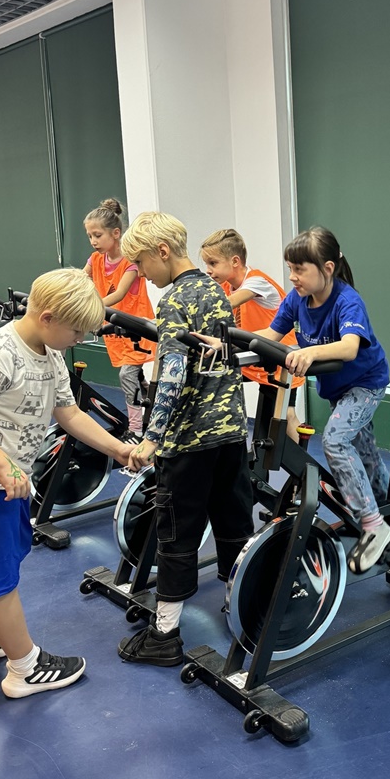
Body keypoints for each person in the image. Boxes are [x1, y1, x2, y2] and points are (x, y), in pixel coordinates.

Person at [0, 268, 133, 697]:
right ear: (48, 317)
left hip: (9, 481)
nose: (78, 339)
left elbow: (68, 413)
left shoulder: (49, 354)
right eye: (76, 331)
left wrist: (117, 449)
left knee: (3, 564)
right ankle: (24, 668)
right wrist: (1, 464)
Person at [116, 212, 255, 668]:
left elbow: (172, 374)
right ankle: (245, 612)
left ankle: (165, 635)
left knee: (177, 536)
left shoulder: (174, 298)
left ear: (161, 252)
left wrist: (151, 439)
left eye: (141, 263)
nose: (141, 275)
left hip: (190, 441)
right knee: (234, 524)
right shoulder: (215, 289)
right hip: (232, 433)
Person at [259, 226, 390, 575]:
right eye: (291, 268)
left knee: (334, 441)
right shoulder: (296, 301)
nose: (293, 277)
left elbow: (349, 348)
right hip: (337, 390)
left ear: (327, 268)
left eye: (300, 269)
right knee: (364, 453)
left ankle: (375, 524)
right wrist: (224, 341)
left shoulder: (348, 300)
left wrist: (311, 351)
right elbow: (269, 337)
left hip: (365, 384)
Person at [200, 227, 304, 440]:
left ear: (235, 261)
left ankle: (308, 471)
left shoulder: (256, 282)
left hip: (284, 356)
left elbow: (225, 306)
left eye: (213, 263)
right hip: (259, 356)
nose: (208, 271)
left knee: (286, 415)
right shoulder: (229, 286)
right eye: (206, 265)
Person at [84, 197, 156, 438]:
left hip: (136, 327)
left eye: (97, 235)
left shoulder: (130, 261)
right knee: (135, 377)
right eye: (90, 236)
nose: (93, 241)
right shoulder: (95, 260)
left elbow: (118, 295)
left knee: (127, 375)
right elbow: (79, 280)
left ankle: (135, 430)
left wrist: (87, 308)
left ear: (115, 233)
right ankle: (153, 409)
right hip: (114, 329)